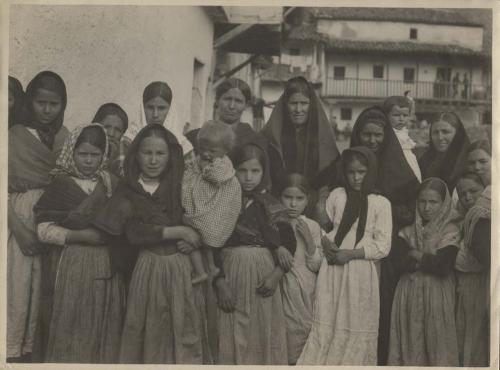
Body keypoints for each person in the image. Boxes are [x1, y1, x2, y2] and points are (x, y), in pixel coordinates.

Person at [95, 124, 212, 364]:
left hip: (181, 268)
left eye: (160, 154)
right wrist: (177, 231)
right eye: (147, 153)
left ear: (170, 157)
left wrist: (194, 239)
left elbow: (201, 220)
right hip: (147, 266)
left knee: (180, 323)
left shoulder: (181, 187)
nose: (153, 160)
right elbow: (133, 232)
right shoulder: (127, 189)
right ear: (136, 154)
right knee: (146, 324)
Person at [35, 124, 124, 363]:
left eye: (95, 155)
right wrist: (79, 236)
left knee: (100, 324)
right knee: (71, 322)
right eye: (82, 154)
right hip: (70, 265)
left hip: (106, 267)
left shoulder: (111, 185)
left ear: (104, 155)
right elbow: (42, 229)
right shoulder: (60, 184)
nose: (88, 161)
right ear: (71, 153)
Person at [298, 147, 392, 365]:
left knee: (355, 317)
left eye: (362, 172)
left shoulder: (380, 203)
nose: (357, 177)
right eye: (351, 172)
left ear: (371, 171)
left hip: (359, 269)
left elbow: (383, 245)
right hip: (332, 267)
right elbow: (325, 228)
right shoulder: (337, 195)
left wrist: (349, 255)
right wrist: (325, 242)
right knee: (329, 315)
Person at [214, 135, 294, 365]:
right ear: (233, 170)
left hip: (264, 275)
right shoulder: (223, 200)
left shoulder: (272, 204)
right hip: (231, 274)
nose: (248, 178)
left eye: (255, 171)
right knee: (229, 330)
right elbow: (211, 244)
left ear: (264, 172)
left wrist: (276, 276)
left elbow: (289, 242)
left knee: (261, 331)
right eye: (242, 170)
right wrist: (219, 282)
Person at [8, 71, 69, 362]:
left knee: (46, 290)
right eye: (40, 102)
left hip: (53, 217)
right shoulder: (14, 134)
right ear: (29, 101)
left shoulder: (67, 138)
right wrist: (17, 228)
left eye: (54, 104)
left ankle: (38, 354)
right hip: (18, 217)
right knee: (18, 288)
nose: (46, 110)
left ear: (63, 105)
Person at [388, 178, 460, 366]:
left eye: (433, 202)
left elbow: (444, 266)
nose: (426, 208)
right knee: (412, 338)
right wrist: (427, 261)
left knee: (436, 338)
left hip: (437, 292)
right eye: (422, 201)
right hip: (409, 291)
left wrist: (416, 254)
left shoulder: (450, 230)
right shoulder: (407, 231)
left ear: (443, 203)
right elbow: (400, 263)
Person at [261, 76, 339, 216]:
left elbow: (329, 177)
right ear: (286, 105)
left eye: (304, 103)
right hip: (277, 202)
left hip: (312, 205)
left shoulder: (322, 136)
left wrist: (321, 204)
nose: (298, 109)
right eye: (293, 103)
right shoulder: (271, 136)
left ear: (311, 105)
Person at [182, 120, 242, 284]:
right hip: (199, 201)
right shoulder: (200, 159)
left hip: (214, 206)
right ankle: (206, 269)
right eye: (202, 149)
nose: (206, 154)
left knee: (206, 232)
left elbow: (216, 177)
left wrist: (205, 168)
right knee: (194, 229)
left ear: (225, 150)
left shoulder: (223, 165)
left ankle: (208, 267)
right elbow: (190, 172)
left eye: (212, 151)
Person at [278, 173, 323, 365]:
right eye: (288, 197)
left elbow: (317, 265)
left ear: (307, 201)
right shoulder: (275, 223)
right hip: (282, 283)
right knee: (285, 328)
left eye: (299, 199)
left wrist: (309, 242)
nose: (293, 204)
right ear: (280, 197)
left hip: (306, 287)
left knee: (304, 328)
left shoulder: (312, 226)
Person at [454, 172, 489, 366]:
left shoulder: (482, 217)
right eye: (462, 193)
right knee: (465, 332)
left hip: (479, 282)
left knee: (477, 336)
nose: (467, 197)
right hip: (465, 285)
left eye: (473, 191)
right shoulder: (463, 217)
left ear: (484, 190)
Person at [187, 78, 255, 157]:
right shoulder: (194, 137)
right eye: (227, 99)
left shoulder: (253, 140)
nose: (231, 106)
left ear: (246, 105)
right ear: (217, 100)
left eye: (238, 101)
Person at [419, 112, 470, 193]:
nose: (440, 137)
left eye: (445, 132)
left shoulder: (469, 160)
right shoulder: (424, 161)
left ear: (457, 134)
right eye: (435, 132)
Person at [142, 81, 193, 157]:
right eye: (150, 107)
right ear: (142, 108)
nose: (155, 114)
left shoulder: (182, 146)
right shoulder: (129, 140)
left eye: (161, 108)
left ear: (170, 110)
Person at [92, 102, 130, 177]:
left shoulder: (125, 150)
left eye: (118, 130)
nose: (111, 134)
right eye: (106, 127)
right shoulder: (83, 144)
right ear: (95, 125)